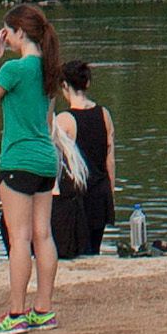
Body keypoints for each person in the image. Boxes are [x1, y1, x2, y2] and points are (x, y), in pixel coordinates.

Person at [0, 5, 63, 334]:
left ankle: (16, 314)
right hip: (45, 159)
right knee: (43, 235)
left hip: (17, 159)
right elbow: (46, 119)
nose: (7, 39)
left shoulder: (16, 69)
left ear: (20, 33)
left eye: (8, 34)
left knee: (20, 239)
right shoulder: (49, 70)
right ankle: (43, 310)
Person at [50, 61, 116, 260]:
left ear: (65, 86)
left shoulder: (64, 120)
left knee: (78, 251)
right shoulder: (104, 114)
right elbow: (110, 159)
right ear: (87, 84)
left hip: (78, 197)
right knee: (94, 250)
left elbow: (54, 163)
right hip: (101, 192)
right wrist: (110, 192)